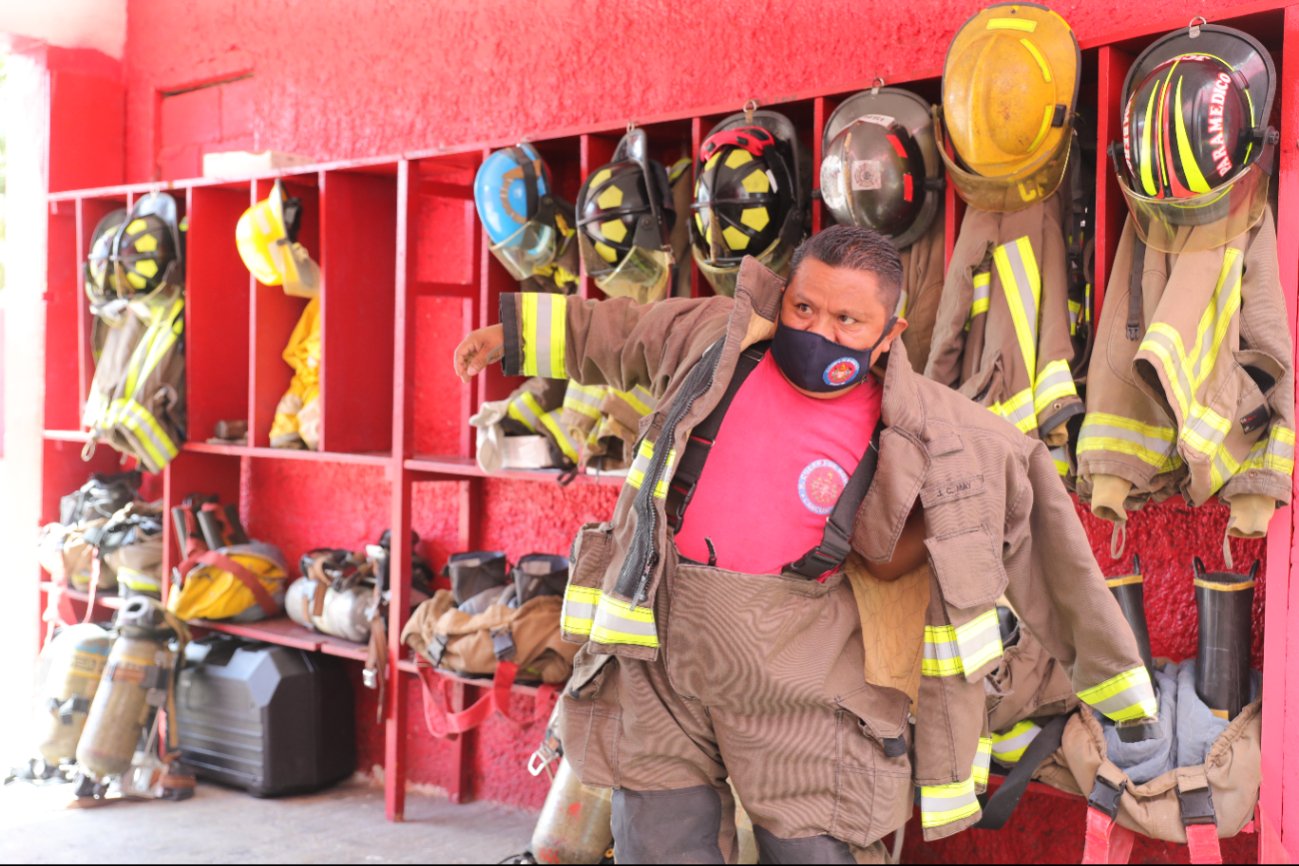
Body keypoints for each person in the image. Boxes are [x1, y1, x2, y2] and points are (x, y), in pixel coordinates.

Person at [454, 225, 1157, 864]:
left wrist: (1120, 696)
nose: (818, 330)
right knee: (657, 846)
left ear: (891, 333)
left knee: (814, 856)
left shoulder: (944, 436)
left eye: (847, 320)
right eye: (802, 309)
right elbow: (621, 332)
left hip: (800, 685)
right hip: (660, 662)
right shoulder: (713, 342)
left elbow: (1053, 560)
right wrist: (508, 339)